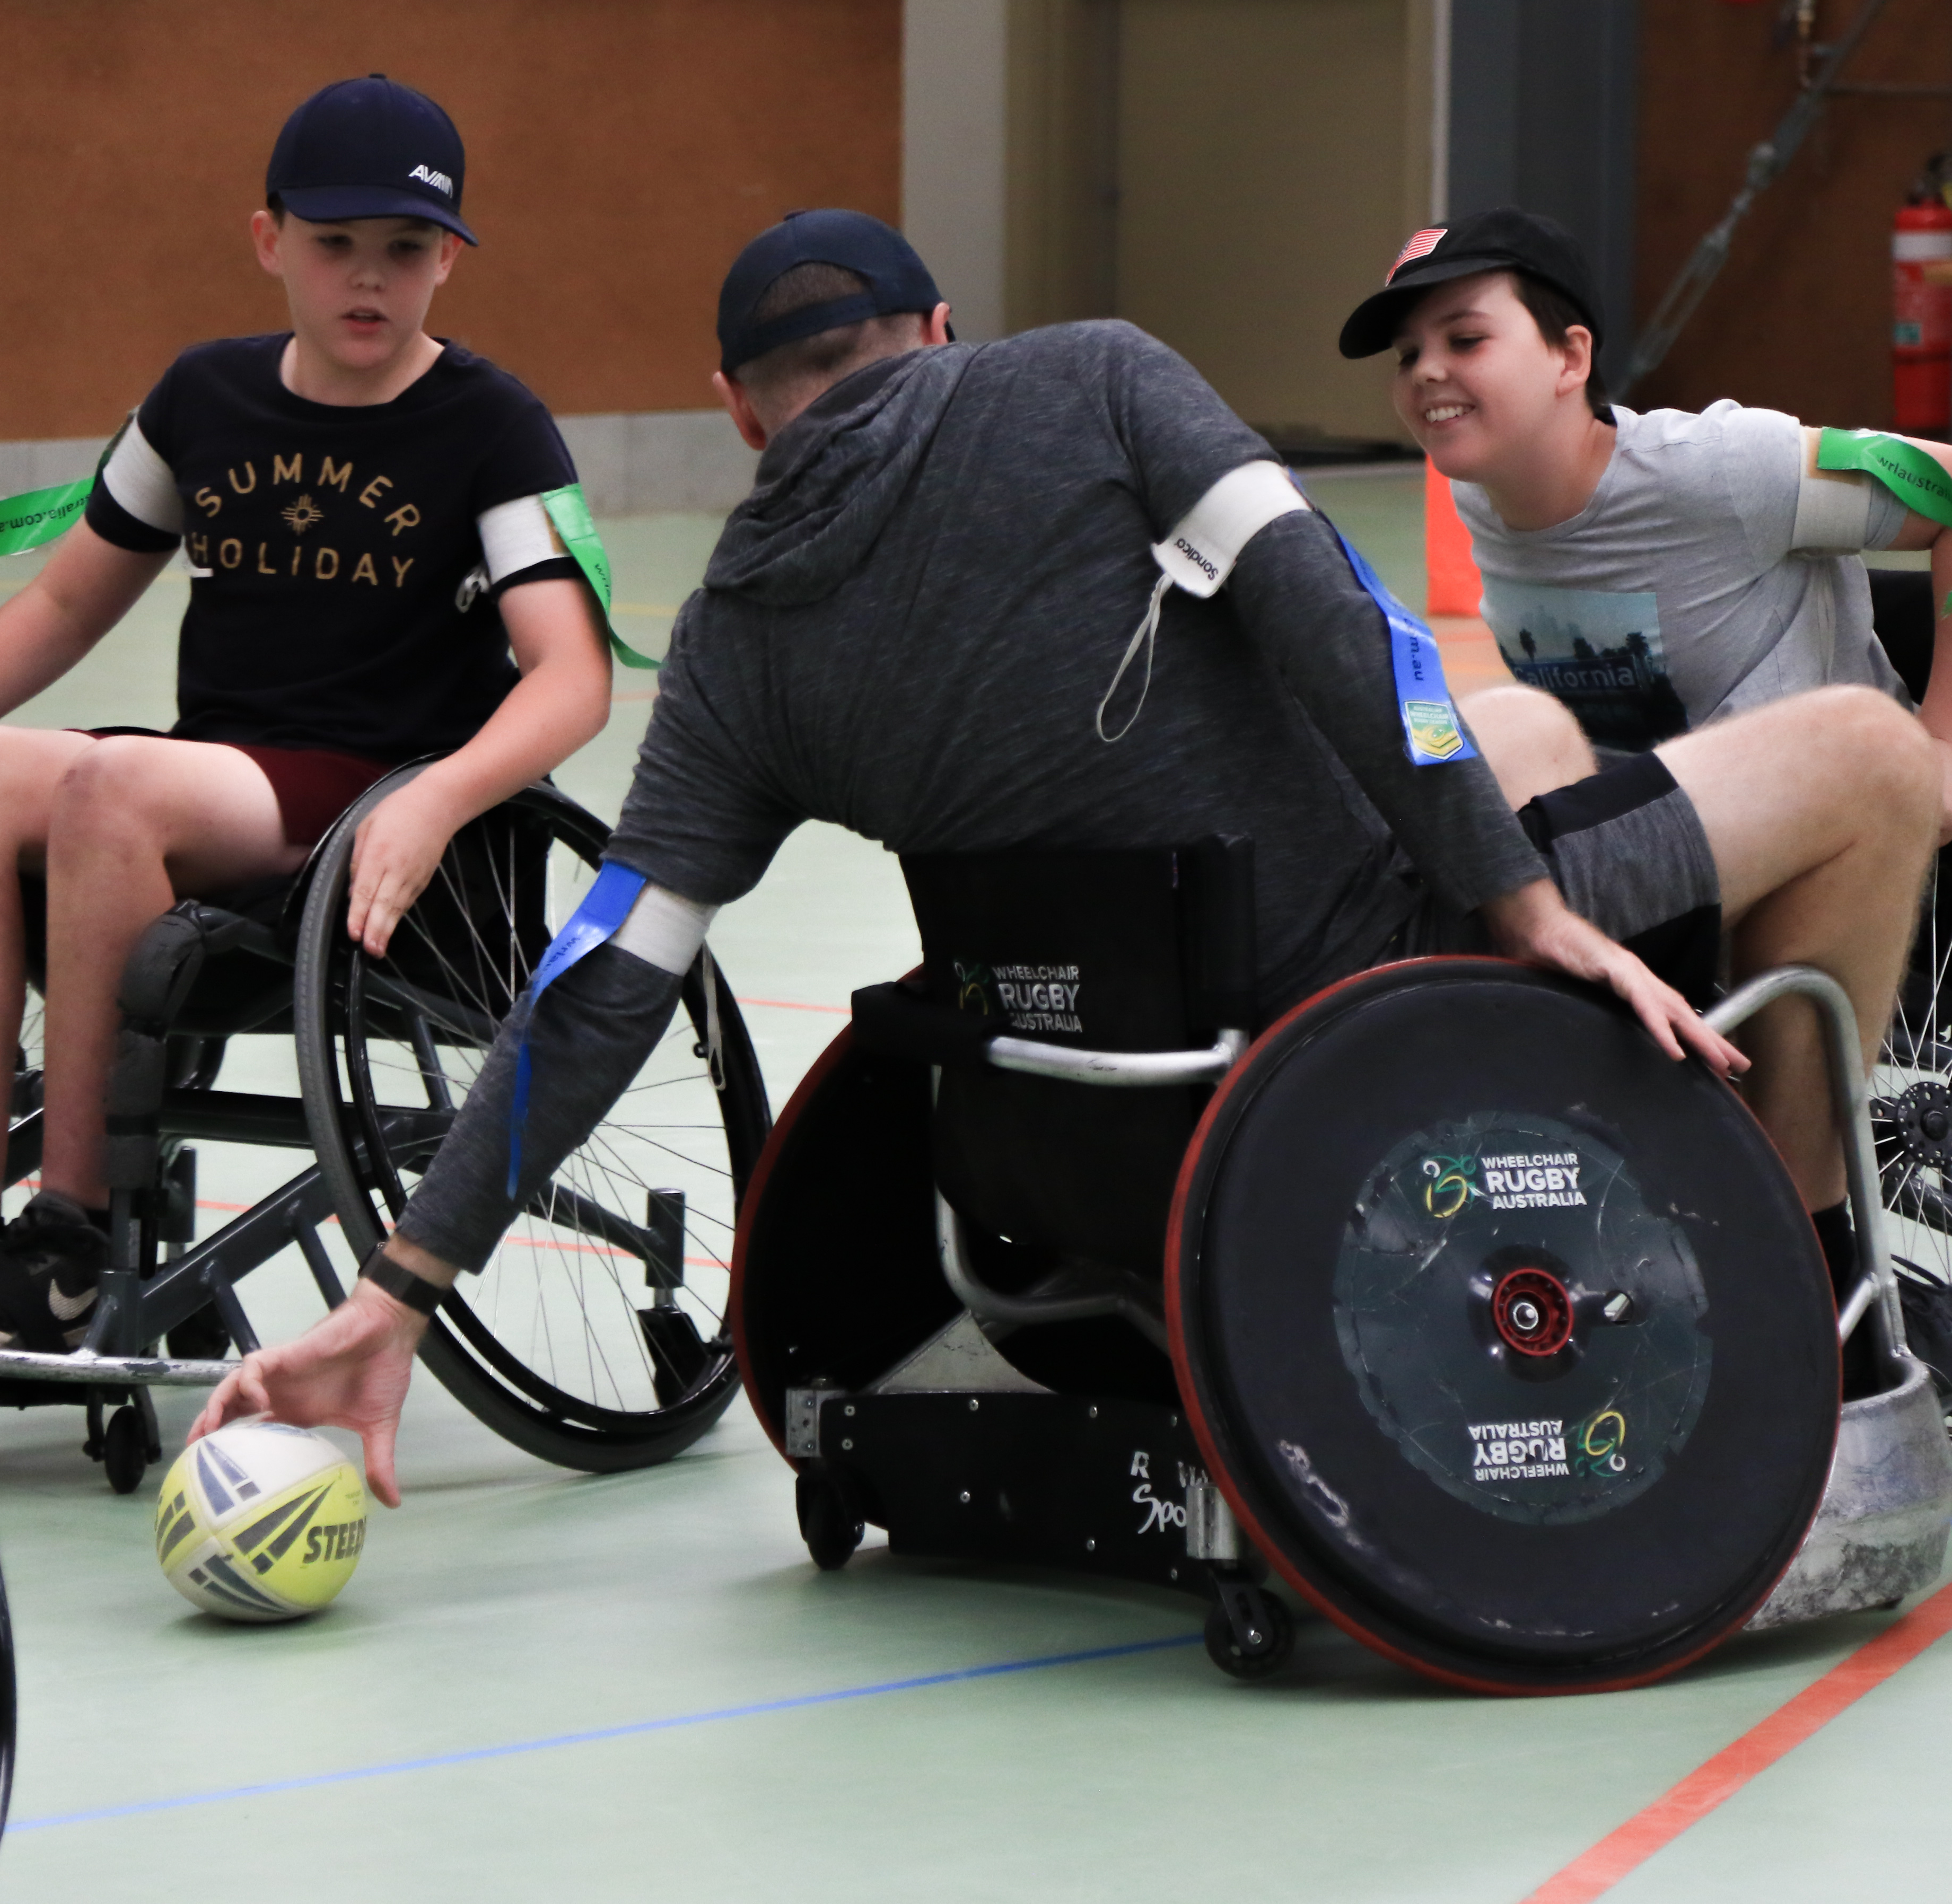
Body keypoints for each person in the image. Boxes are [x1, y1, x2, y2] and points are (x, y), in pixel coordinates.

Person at [191, 209, 1939, 1503]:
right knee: (1868, 760)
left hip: (1077, 1093)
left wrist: (401, 1286)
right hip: (1350, 991)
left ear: (739, 412)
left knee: (1537, 738)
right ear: (940, 329)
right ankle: (1790, 1295)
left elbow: (599, 991)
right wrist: (1535, 908)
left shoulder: (731, 644)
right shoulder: (1094, 382)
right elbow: (1347, 635)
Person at [0, 75, 608, 1352]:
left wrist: (441, 794)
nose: (368, 279)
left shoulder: (492, 427)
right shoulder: (201, 398)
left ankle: (74, 1234)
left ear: (448, 262)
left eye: (404, 250)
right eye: (333, 246)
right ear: (269, 244)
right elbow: (69, 602)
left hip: (375, 792)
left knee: (111, 787)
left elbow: (569, 675)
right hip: (226, 776)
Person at [1342, 207, 1952, 828]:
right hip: (1647, 860)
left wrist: (1942, 749)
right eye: (1407, 354)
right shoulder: (1481, 496)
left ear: (1570, 358)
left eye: (1465, 339)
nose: (1426, 370)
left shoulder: (1720, 468)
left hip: (1820, 851)